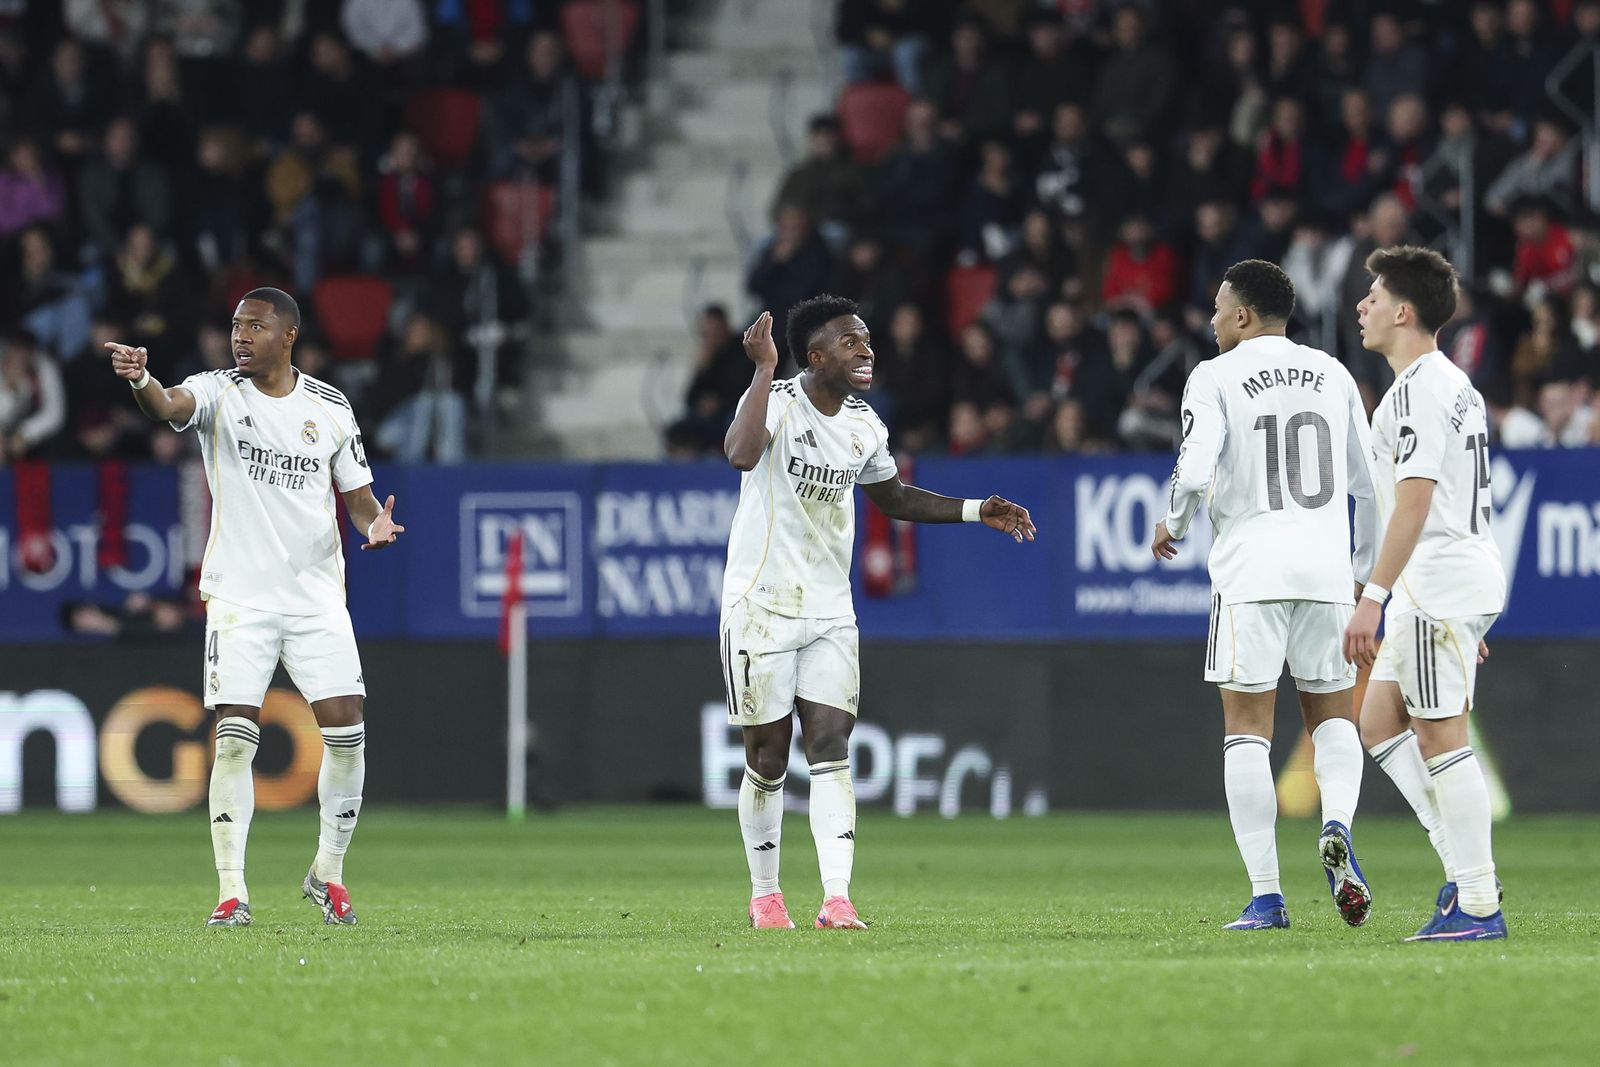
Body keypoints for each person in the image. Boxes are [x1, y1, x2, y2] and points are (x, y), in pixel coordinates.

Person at [721, 295, 1035, 931]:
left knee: (832, 744)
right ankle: (766, 895)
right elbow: (741, 455)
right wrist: (759, 371)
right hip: (760, 603)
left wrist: (977, 510)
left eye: (867, 341)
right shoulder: (778, 400)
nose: (866, 351)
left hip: (832, 608)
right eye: (850, 343)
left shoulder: (865, 425)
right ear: (815, 357)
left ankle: (837, 898)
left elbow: (893, 497)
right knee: (768, 755)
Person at [105, 287, 404, 929]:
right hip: (240, 597)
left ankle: (328, 872)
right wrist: (142, 380)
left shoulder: (329, 406)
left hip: (316, 597)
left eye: (255, 327)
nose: (240, 337)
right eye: (236, 326)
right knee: (235, 738)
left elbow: (356, 495)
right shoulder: (217, 391)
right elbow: (167, 405)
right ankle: (232, 891)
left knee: (347, 733)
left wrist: (373, 525)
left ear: (287, 335)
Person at [1151, 260, 1379, 931]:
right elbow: (1369, 484)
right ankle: (1336, 823)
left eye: (1220, 308)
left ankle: (1267, 895)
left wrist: (1174, 519)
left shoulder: (1214, 375)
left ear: (1243, 316)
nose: (1213, 318)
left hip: (1251, 571)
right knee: (1333, 718)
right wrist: (1362, 572)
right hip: (1326, 572)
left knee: (1247, 730)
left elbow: (1194, 466)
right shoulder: (1334, 374)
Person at [1345, 246, 1508, 942]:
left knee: (1441, 736)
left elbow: (1416, 502)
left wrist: (1373, 595)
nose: (1363, 306)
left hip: (1434, 577)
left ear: (1404, 311)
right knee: (1379, 721)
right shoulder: (1450, 383)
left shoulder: (1416, 390)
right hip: (1445, 577)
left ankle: (1477, 902)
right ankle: (1461, 867)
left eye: (1374, 296)